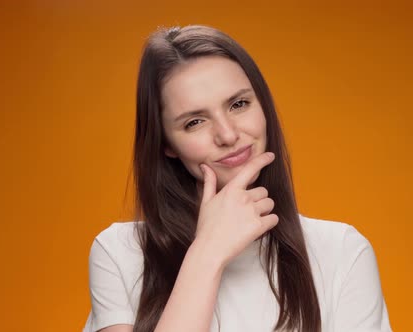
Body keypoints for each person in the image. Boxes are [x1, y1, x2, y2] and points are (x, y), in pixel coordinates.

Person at [83, 25, 392, 332]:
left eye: (239, 104)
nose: (228, 135)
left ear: (264, 106)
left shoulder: (341, 253)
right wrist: (208, 252)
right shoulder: (120, 252)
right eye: (194, 122)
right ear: (166, 144)